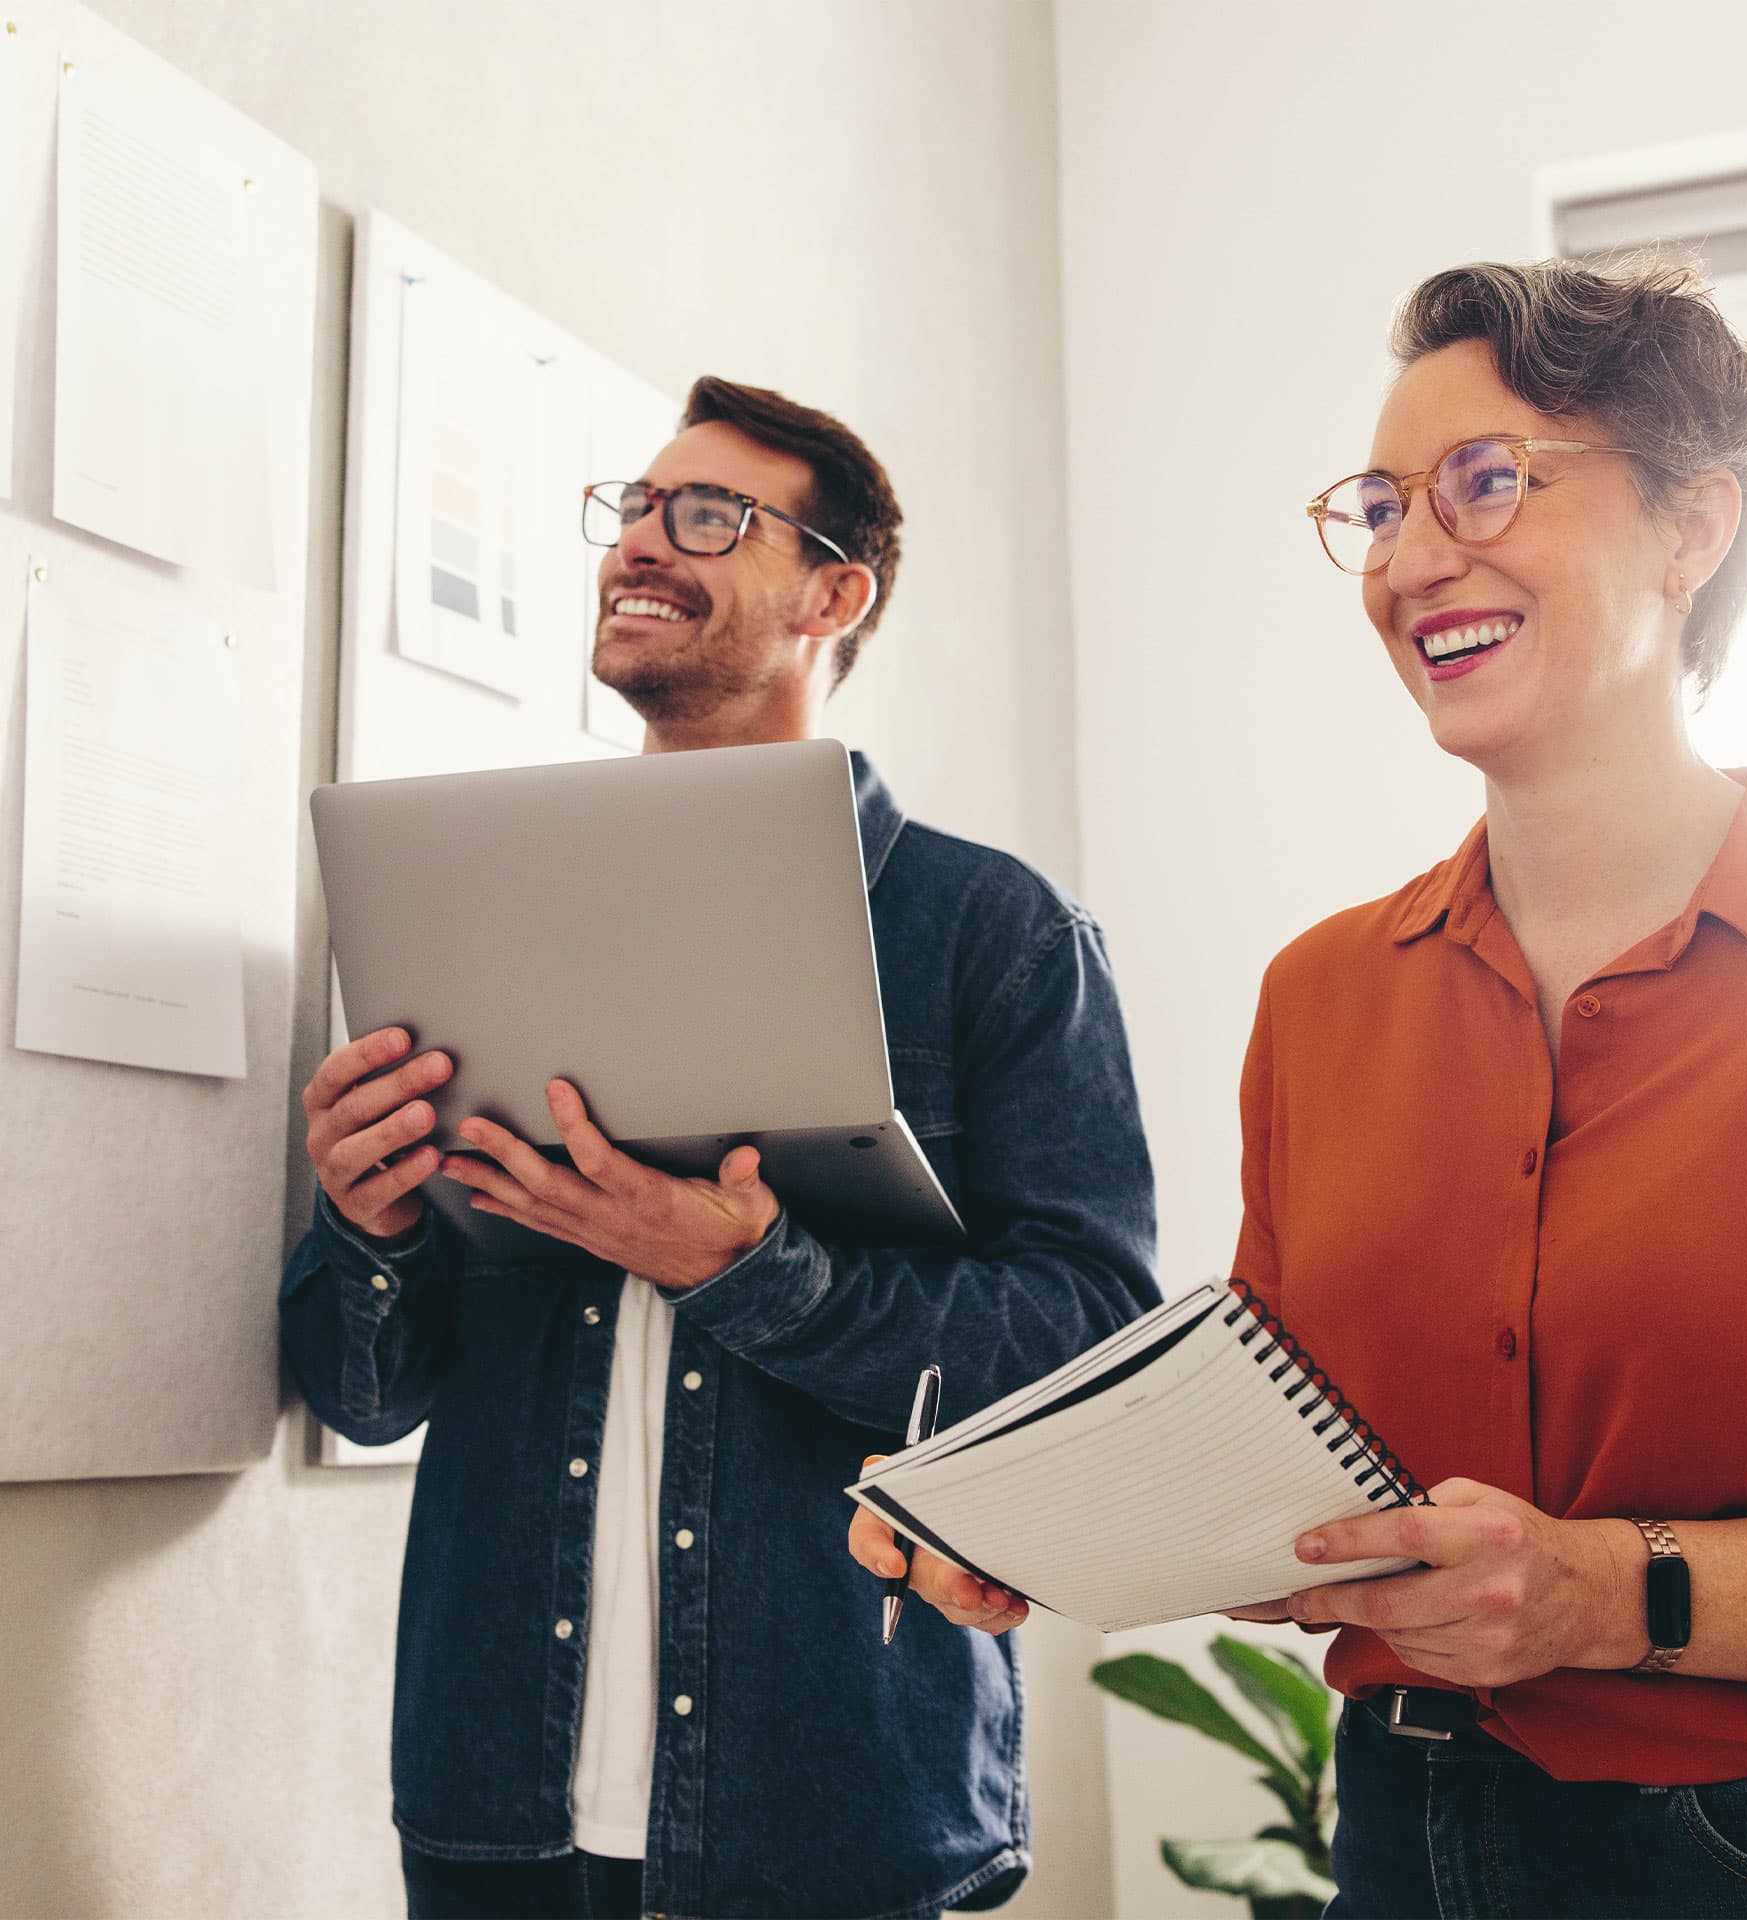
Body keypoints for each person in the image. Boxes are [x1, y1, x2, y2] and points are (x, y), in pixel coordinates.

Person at [852, 261, 1747, 1917]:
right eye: (1382, 504)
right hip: (1402, 1828)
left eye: (1488, 482)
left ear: (1690, 528)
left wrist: (1604, 1597)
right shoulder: (1323, 996)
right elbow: (1290, 1445)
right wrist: (1055, 1521)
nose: (1415, 560)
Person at [283, 377, 1159, 1920]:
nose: (641, 545)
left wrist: (750, 1271)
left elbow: (1092, 1349)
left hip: (833, 1819)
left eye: (705, 517)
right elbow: (364, 1399)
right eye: (631, 509)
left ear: (834, 591)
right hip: (496, 1815)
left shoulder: (992, 936)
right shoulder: (476, 909)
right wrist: (369, 1229)